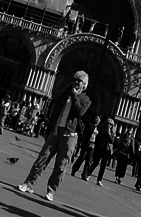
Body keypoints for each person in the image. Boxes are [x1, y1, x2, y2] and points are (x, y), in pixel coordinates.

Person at [16, 70, 94, 203]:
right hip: (56, 131)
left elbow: (80, 112)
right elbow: (55, 110)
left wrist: (75, 97)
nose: (75, 82)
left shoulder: (86, 99)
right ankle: (29, 183)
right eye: (74, 79)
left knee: (61, 165)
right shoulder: (65, 94)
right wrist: (49, 128)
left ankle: (51, 190)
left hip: (70, 135)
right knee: (42, 158)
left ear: (84, 84)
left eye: (79, 80)